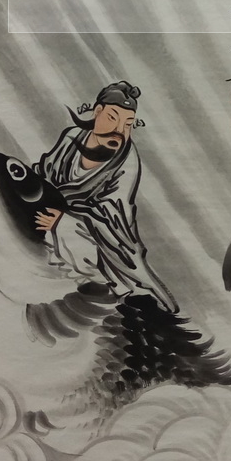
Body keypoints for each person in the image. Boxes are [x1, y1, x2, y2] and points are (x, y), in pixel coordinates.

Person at [34, 81, 178, 312]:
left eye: (128, 125)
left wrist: (62, 220)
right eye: (113, 118)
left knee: (73, 238)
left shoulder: (127, 160)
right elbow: (44, 172)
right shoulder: (72, 136)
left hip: (99, 234)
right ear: (97, 112)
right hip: (49, 209)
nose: (119, 131)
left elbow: (112, 212)